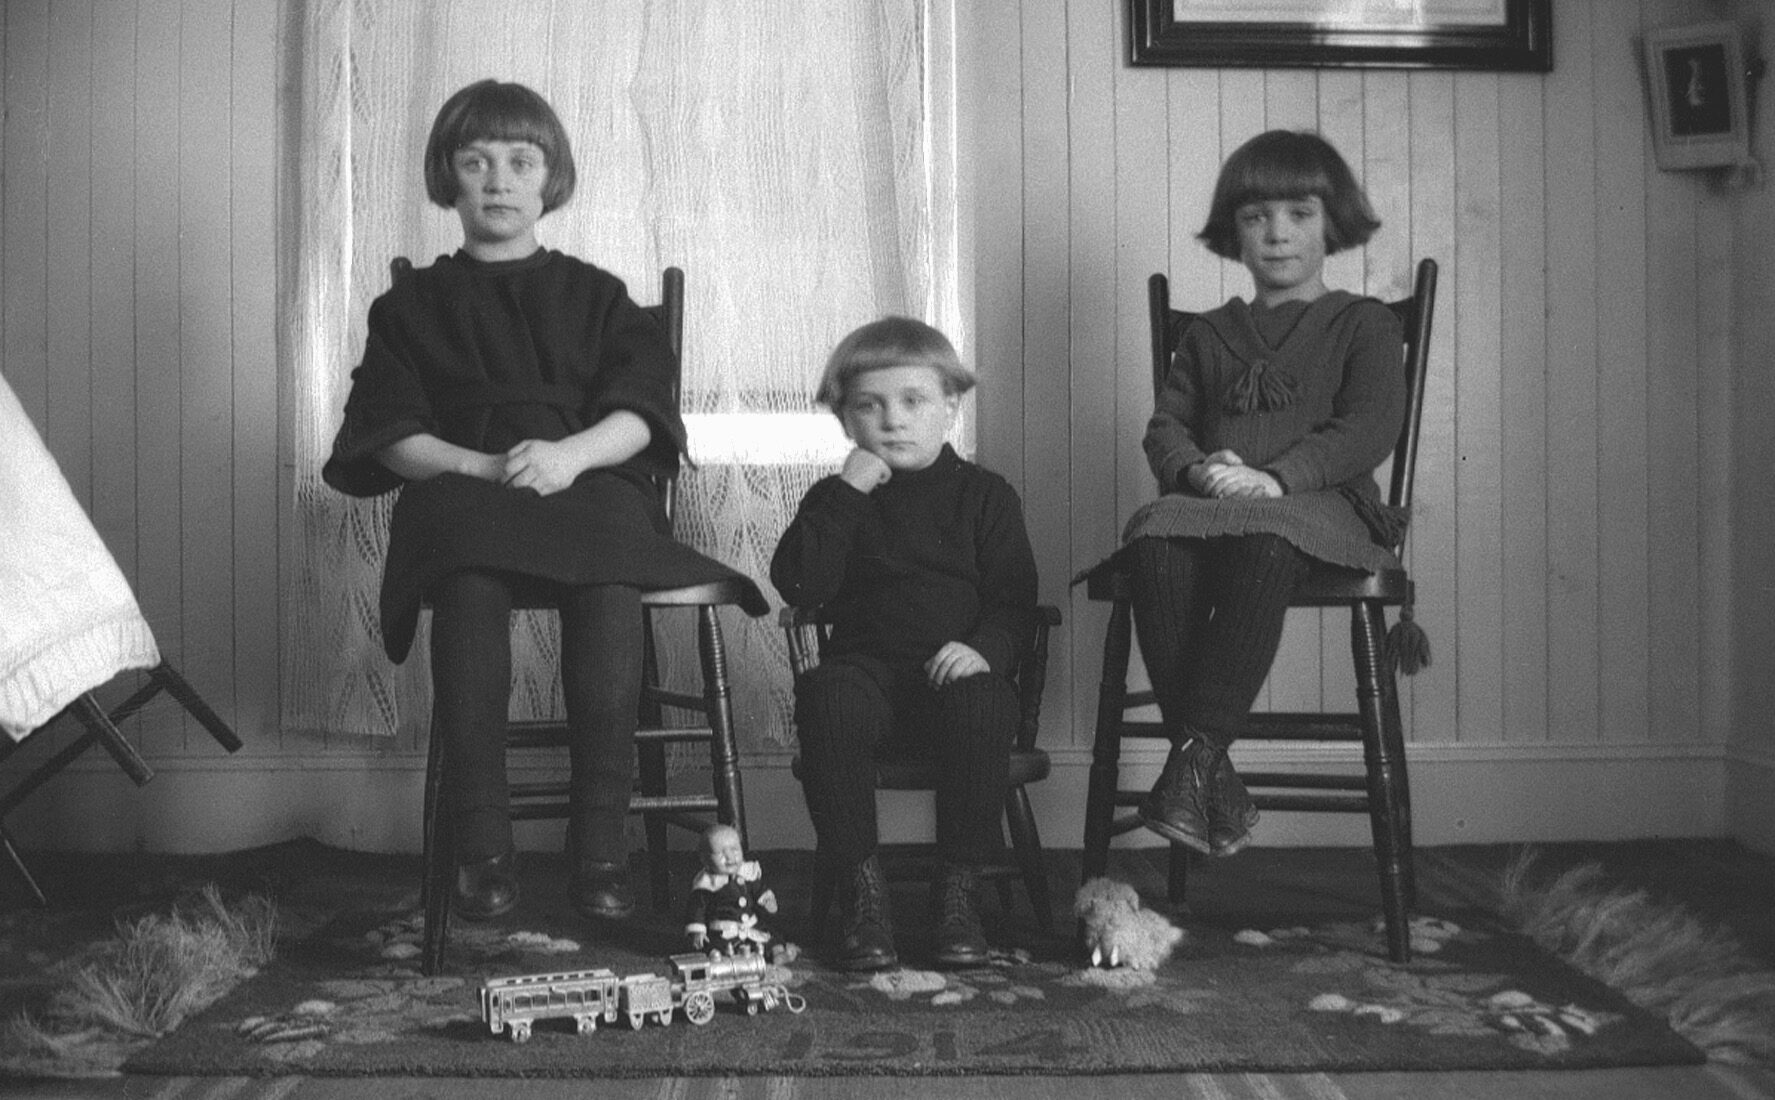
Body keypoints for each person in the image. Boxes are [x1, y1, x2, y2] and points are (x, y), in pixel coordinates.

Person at [322, 80, 766, 927]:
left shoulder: (597, 295)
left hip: (587, 479)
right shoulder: (410, 305)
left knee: (607, 577)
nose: (498, 180)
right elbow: (388, 433)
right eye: (475, 161)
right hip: (463, 486)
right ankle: (482, 846)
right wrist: (483, 466)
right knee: (466, 575)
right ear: (446, 175)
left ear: (549, 177)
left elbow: (642, 414)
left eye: (520, 162)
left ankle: (600, 845)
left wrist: (568, 457)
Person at [1119, 129, 1406, 860]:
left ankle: (1190, 764)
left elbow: (1367, 426)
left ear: (1331, 222)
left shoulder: (1363, 323)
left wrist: (1275, 480)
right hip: (1218, 502)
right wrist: (1197, 472)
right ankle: (1206, 776)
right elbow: (1166, 428)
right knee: (1151, 535)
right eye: (1255, 217)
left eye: (1299, 214)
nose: (1277, 233)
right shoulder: (1210, 334)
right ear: (1233, 230)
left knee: (1265, 534)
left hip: (1324, 506)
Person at [771, 317, 1038, 971]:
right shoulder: (836, 499)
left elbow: (1014, 602)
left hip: (952, 682)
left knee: (984, 700)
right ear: (844, 420)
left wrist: (984, 651)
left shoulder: (984, 495)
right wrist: (848, 491)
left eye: (913, 401)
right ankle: (865, 899)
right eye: (870, 405)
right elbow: (799, 582)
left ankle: (958, 896)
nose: (893, 420)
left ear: (950, 406)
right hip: (865, 681)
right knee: (826, 694)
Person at [684, 824, 780, 957]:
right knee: (716, 947)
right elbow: (697, 910)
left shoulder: (747, 874)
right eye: (720, 853)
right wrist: (697, 931)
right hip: (723, 932)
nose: (730, 857)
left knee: (770, 938)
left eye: (735, 850)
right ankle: (719, 956)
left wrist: (767, 900)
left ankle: (777, 953)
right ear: (705, 860)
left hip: (750, 926)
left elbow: (759, 889)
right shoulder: (706, 884)